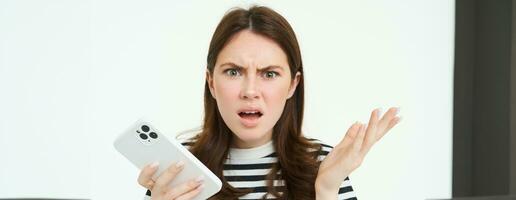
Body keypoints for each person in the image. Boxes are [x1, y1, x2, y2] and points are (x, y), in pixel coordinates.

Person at [137, 5, 401, 200]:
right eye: (233, 71)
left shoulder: (324, 164)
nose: (250, 91)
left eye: (269, 74)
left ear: (293, 85)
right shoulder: (180, 166)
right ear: (211, 82)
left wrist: (327, 189)